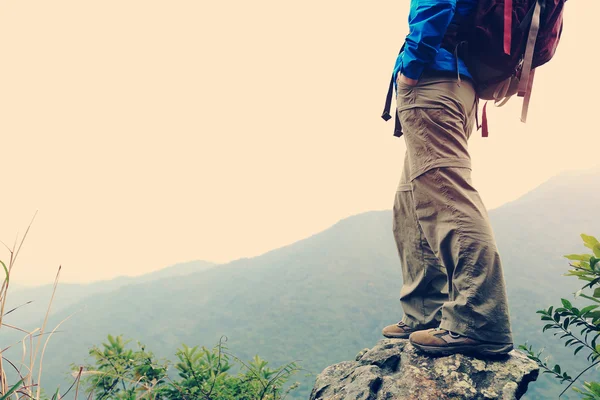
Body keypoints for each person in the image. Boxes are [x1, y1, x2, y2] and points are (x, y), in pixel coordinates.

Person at [381, 0, 514, 356]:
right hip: (453, 83)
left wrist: (411, 67)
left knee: (449, 199)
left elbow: (436, 6)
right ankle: (425, 311)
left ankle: (478, 321)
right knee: (411, 200)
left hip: (433, 80)